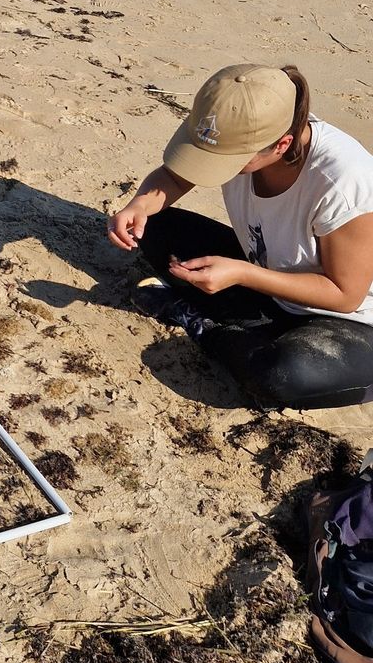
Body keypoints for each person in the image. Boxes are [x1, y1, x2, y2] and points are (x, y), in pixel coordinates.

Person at [107, 64, 373, 410]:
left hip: (350, 320)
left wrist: (242, 273)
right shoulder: (235, 124)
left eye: (225, 160)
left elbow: (344, 295)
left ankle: (204, 326)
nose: (212, 166)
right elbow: (176, 176)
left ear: (282, 145)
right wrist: (140, 205)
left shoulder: (343, 183)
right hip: (267, 272)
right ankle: (247, 327)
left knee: (279, 376)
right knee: (152, 226)